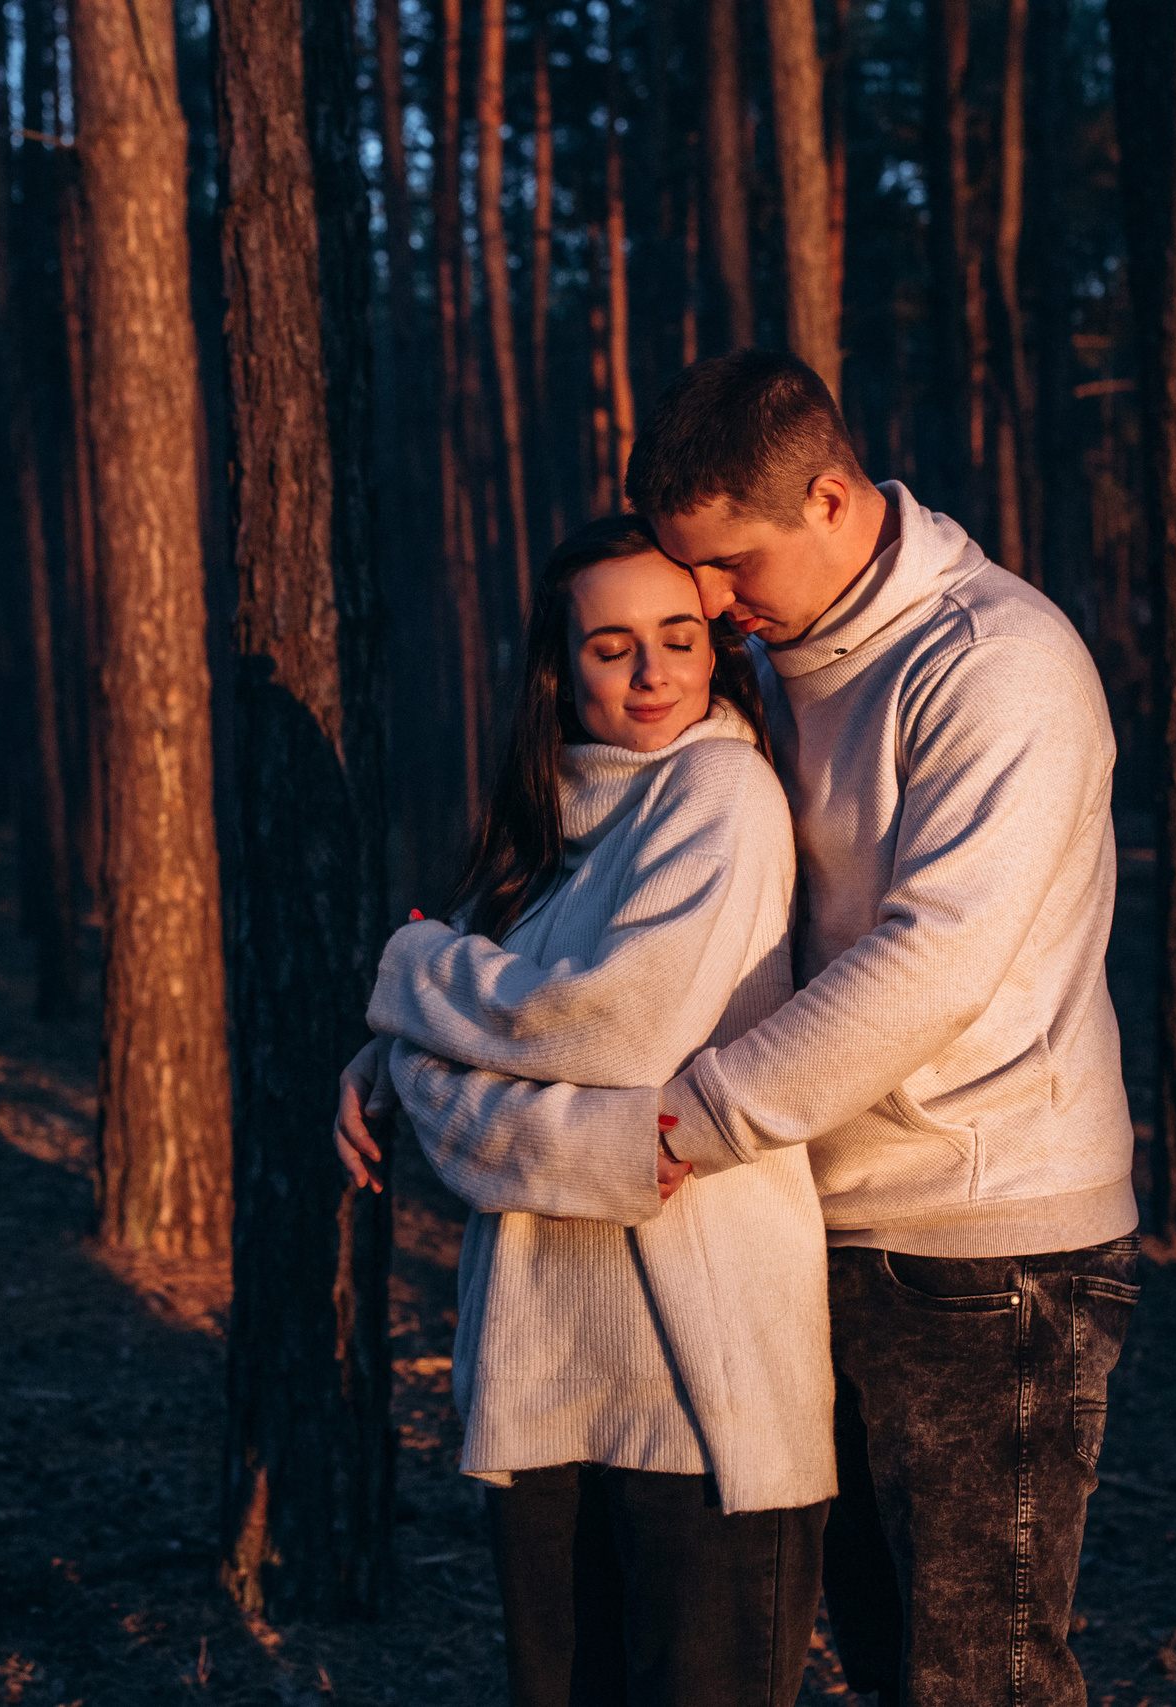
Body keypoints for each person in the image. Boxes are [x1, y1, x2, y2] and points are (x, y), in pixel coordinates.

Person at [340, 350, 1138, 1707]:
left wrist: (688, 1120)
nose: (708, 604)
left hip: (984, 1240)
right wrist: (406, 1038)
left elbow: (933, 958)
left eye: (724, 571)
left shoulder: (1000, 662)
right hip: (833, 1209)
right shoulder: (799, 649)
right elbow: (583, 918)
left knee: (979, 1672)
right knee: (892, 1655)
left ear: (829, 500)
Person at [350, 513, 834, 1707]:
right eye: (613, 646)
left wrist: (413, 983)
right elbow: (552, 1052)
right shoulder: (550, 837)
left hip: (698, 1388)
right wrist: (413, 1063)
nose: (655, 671)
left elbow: (613, 1031)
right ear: (562, 667)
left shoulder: (720, 790)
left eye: (679, 636)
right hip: (541, 1376)